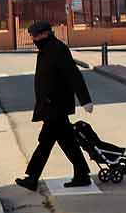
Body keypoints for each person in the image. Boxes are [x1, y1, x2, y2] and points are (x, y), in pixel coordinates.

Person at [15, 20, 94, 191]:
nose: (33, 39)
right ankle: (81, 174)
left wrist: (85, 100)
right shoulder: (45, 50)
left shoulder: (58, 49)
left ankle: (33, 178)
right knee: (65, 142)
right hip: (50, 106)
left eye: (35, 36)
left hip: (56, 105)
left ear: (45, 34)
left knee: (47, 142)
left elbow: (74, 75)